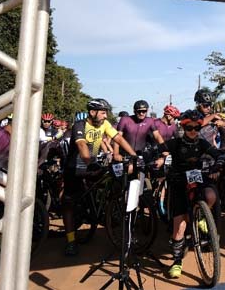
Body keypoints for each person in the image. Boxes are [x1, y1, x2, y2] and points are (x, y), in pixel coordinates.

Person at [62, 98, 137, 256]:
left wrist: (133, 155)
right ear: (92, 112)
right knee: (69, 204)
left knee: (110, 178)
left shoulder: (104, 124)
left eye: (106, 113)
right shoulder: (79, 125)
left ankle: (103, 209)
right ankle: (70, 241)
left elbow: (118, 138)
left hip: (92, 164)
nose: (105, 116)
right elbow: (82, 145)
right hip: (75, 168)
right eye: (103, 113)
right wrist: (88, 160)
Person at [164, 109, 225, 279]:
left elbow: (217, 153)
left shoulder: (202, 142)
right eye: (189, 128)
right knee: (180, 226)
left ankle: (200, 216)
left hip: (197, 178)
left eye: (197, 128)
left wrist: (218, 164)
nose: (193, 131)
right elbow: (156, 150)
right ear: (183, 127)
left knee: (211, 195)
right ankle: (177, 261)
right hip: (178, 182)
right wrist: (147, 158)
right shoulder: (175, 143)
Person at [115, 100, 163, 166]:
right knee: (128, 171)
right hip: (125, 154)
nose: (141, 113)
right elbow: (117, 138)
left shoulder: (150, 120)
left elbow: (157, 135)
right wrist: (116, 154)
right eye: (139, 111)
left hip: (141, 154)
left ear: (147, 111)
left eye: (144, 111)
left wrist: (164, 149)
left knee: (151, 171)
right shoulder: (125, 120)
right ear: (134, 111)